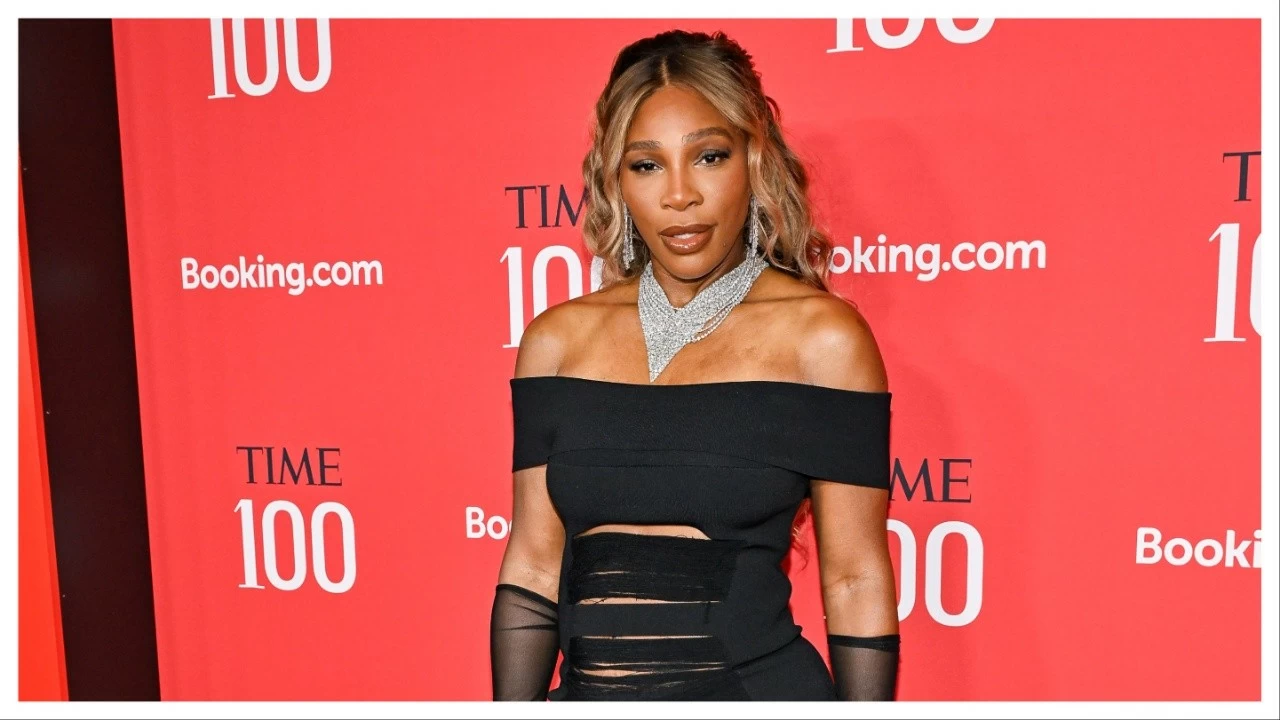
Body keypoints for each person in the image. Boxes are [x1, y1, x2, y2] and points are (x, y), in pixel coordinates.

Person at [490, 29, 899, 702]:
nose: (679, 195)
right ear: (616, 180)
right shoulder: (555, 341)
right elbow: (533, 565)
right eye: (646, 165)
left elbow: (855, 577)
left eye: (709, 156)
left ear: (754, 159)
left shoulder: (823, 339)